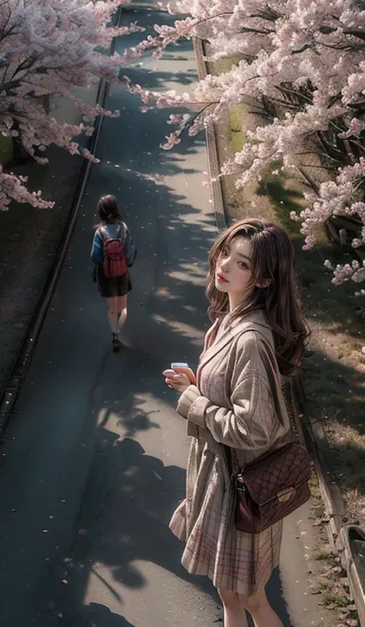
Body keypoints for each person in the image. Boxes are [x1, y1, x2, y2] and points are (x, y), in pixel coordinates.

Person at [163, 218, 309, 627]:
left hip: (237, 487)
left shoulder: (249, 337)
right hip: (220, 480)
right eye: (226, 251)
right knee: (231, 596)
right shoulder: (228, 319)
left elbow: (254, 428)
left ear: (263, 279)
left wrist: (195, 403)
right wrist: (198, 386)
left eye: (242, 263)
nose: (224, 264)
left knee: (251, 600)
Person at [91, 195, 136, 351]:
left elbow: (95, 256)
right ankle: (119, 330)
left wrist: (105, 263)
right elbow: (130, 250)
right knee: (122, 308)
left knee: (112, 308)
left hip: (106, 274)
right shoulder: (123, 228)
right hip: (122, 272)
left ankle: (114, 334)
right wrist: (126, 262)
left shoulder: (100, 232)